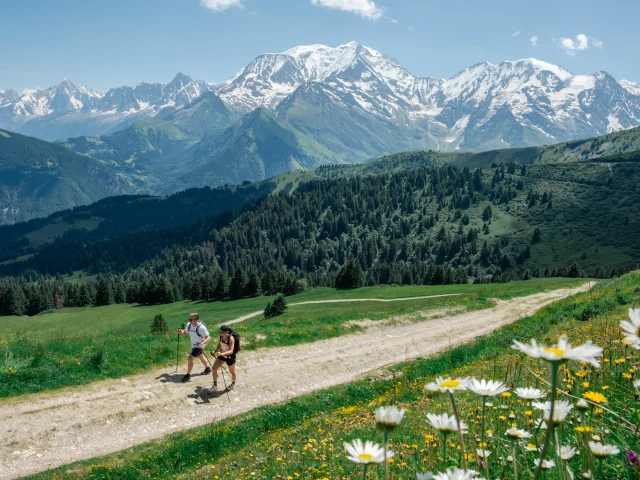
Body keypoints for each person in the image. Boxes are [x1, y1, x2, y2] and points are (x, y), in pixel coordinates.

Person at [177, 313, 211, 382]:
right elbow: (184, 332)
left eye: (192, 319)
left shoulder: (201, 328)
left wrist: (202, 343)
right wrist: (180, 331)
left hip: (199, 345)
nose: (191, 321)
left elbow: (208, 337)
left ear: (196, 319)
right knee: (200, 356)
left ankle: (188, 375)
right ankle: (208, 369)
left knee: (190, 358)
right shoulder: (189, 325)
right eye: (190, 319)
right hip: (193, 345)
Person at [210, 324, 238, 391]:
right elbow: (220, 343)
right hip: (221, 355)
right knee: (214, 369)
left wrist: (222, 353)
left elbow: (231, 351)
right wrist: (215, 351)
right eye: (220, 332)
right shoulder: (221, 336)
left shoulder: (231, 338)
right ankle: (215, 385)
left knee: (232, 371)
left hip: (230, 357)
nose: (220, 333)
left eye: (222, 332)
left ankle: (233, 384)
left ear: (226, 332)